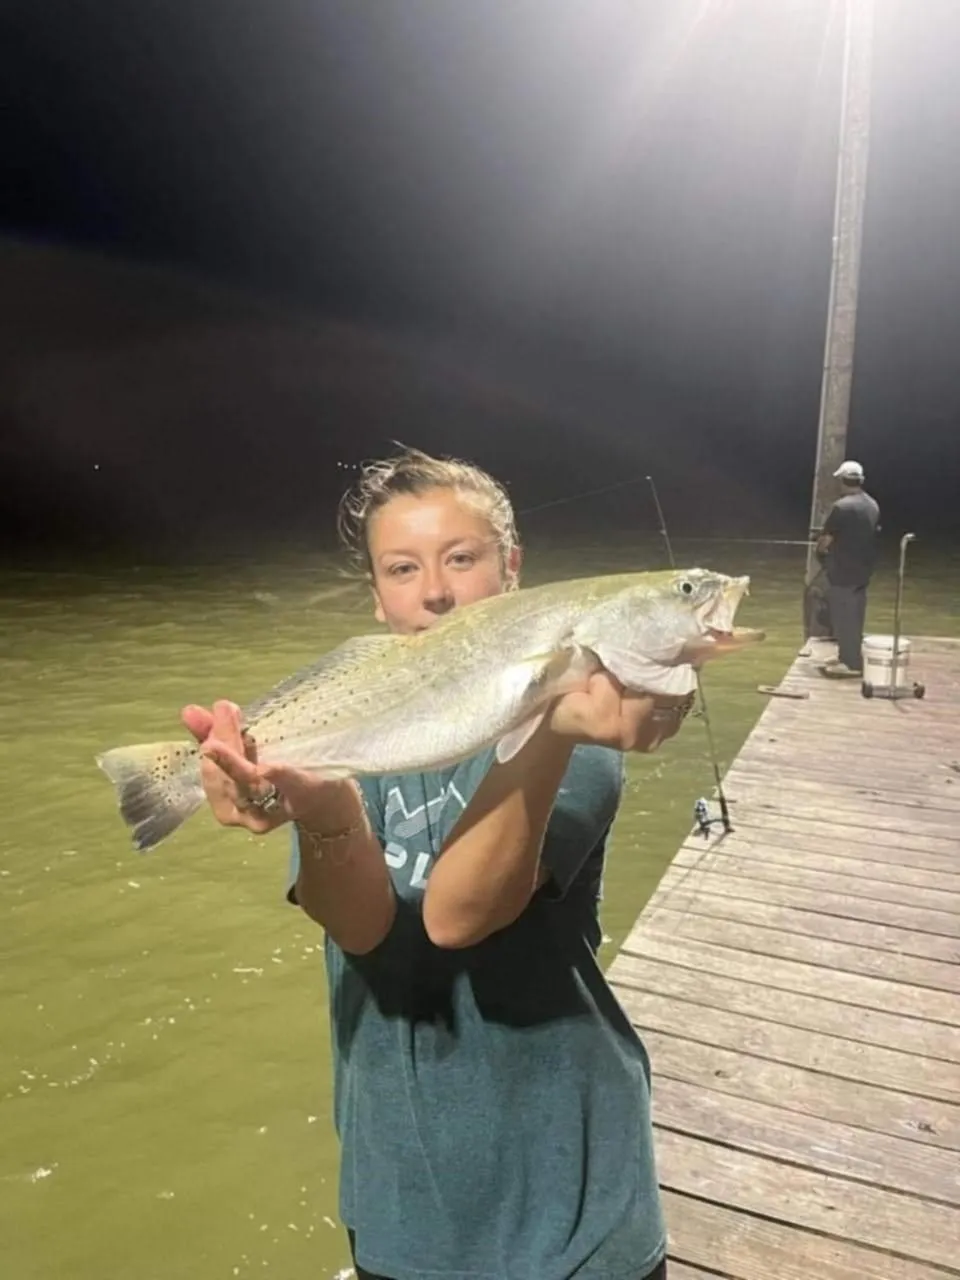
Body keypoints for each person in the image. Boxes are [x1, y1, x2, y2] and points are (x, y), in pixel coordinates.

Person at [181, 447, 697, 1280]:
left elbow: (458, 916)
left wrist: (560, 729)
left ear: (511, 571)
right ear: (378, 598)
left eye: (462, 558)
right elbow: (361, 924)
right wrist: (326, 809)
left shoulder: (577, 736)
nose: (435, 591)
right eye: (402, 568)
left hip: (569, 1193)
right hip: (402, 1191)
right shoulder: (357, 733)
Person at [817, 458, 880, 678]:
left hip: (843, 571)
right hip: (863, 570)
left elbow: (825, 541)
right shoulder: (872, 504)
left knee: (843, 616)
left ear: (843, 481)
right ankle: (848, 655)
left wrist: (821, 553)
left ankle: (851, 664)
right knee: (855, 615)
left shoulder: (841, 507)